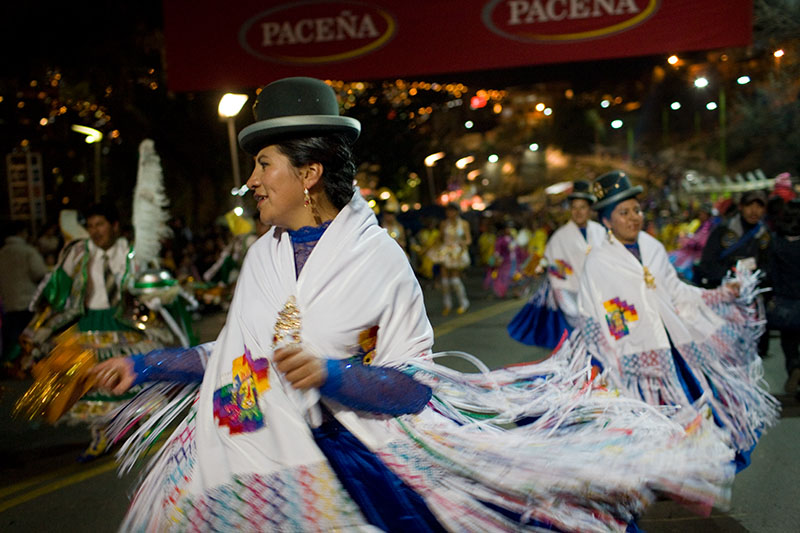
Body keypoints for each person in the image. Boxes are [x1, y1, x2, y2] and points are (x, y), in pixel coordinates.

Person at [91, 78, 736, 532]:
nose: (251, 180)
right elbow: (230, 354)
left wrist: (332, 374)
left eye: (263, 164)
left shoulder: (380, 264)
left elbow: (412, 388)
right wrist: (144, 368)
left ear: (309, 172)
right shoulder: (262, 256)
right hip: (235, 465)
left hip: (327, 478)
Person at [561, 170, 778, 469]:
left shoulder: (652, 247)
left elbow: (676, 292)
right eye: (622, 213)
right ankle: (659, 472)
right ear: (607, 221)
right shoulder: (598, 262)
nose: (633, 217)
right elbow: (593, 316)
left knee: (691, 408)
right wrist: (610, 360)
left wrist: (722, 294)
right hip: (632, 357)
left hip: (672, 348)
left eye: (636, 209)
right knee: (648, 421)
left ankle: (684, 472)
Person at [508, 180, 606, 348]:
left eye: (582, 207)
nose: (578, 212)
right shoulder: (560, 236)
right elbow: (554, 266)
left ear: (590, 209)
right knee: (578, 339)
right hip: (570, 292)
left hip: (599, 293)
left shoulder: (600, 232)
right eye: (574, 207)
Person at [695, 190, 770, 289]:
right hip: (722, 289)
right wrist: (731, 275)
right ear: (741, 207)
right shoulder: (724, 229)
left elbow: (767, 264)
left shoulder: (764, 233)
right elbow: (707, 263)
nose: (754, 211)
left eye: (759, 206)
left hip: (751, 290)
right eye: (749, 205)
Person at [0, 221, 49, 366]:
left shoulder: (2, 252)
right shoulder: (28, 251)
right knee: (31, 335)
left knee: (15, 336)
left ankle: (15, 365)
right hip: (29, 300)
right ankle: (31, 364)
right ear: (22, 232)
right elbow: (40, 273)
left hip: (9, 302)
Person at [766, 198, 800, 393]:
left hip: (786, 301)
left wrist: (774, 295)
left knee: (789, 341)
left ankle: (794, 367)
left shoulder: (776, 242)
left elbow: (772, 274)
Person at [428, 203, 472, 314]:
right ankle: (447, 304)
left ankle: (463, 302)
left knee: (455, 279)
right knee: (445, 281)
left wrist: (462, 243)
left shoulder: (464, 224)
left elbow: (468, 239)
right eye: (448, 211)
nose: (450, 213)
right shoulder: (444, 224)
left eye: (452, 211)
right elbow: (440, 238)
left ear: (457, 212)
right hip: (445, 252)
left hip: (457, 252)